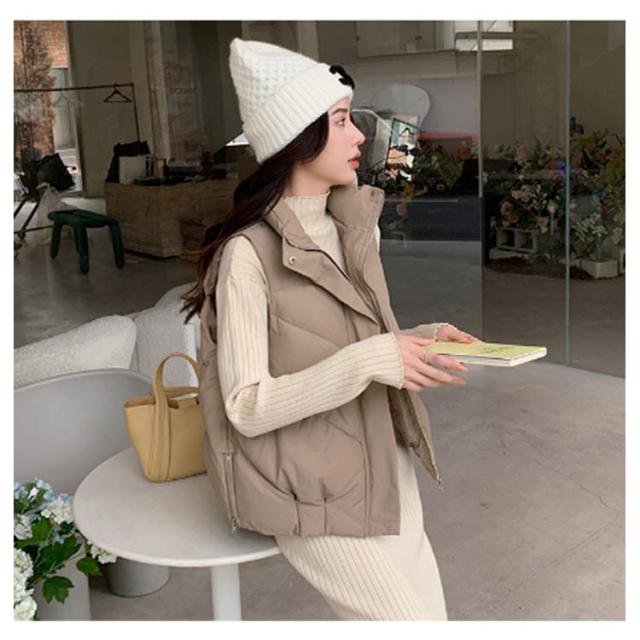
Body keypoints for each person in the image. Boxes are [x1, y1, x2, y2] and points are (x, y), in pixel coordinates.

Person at [181, 37, 479, 621]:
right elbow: (245, 406)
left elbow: (348, 341)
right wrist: (372, 359)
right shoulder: (246, 255)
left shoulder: (352, 225)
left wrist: (421, 336)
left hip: (383, 458)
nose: (359, 135)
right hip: (309, 486)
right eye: (341, 120)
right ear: (298, 137)